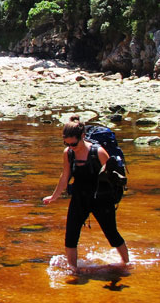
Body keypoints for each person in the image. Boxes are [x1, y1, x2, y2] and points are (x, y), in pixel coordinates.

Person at [43, 115, 130, 272]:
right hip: (79, 198)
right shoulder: (68, 153)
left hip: (101, 199)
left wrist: (114, 195)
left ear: (82, 136)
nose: (71, 146)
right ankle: (73, 270)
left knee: (112, 234)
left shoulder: (99, 152)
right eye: (67, 143)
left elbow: (113, 177)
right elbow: (65, 176)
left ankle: (127, 264)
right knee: (70, 237)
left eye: (73, 143)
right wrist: (54, 196)